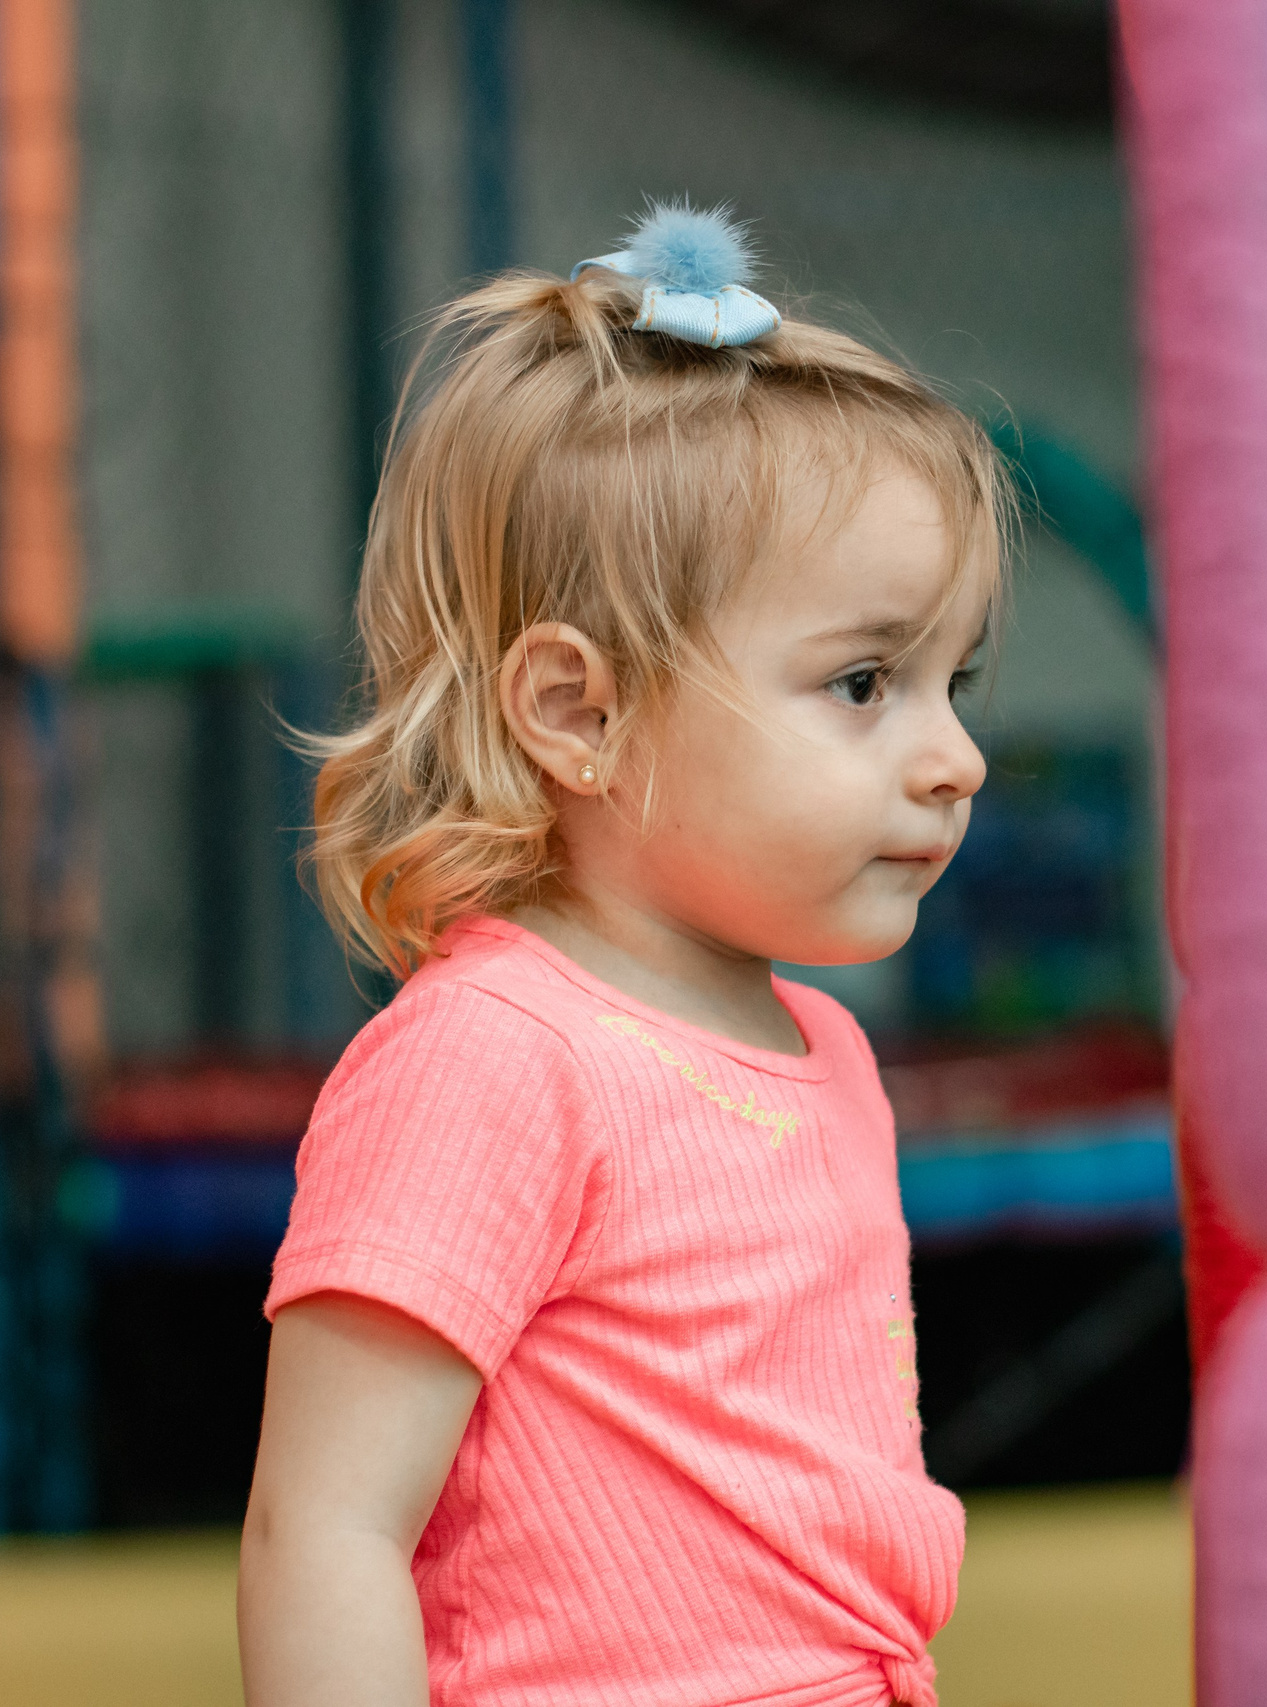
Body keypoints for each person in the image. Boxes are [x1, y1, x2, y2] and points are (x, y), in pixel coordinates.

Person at [235, 205, 1010, 1707]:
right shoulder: (493, 1058)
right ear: (578, 714)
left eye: (951, 681)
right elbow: (324, 1528)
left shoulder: (824, 1050)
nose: (957, 759)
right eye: (865, 683)